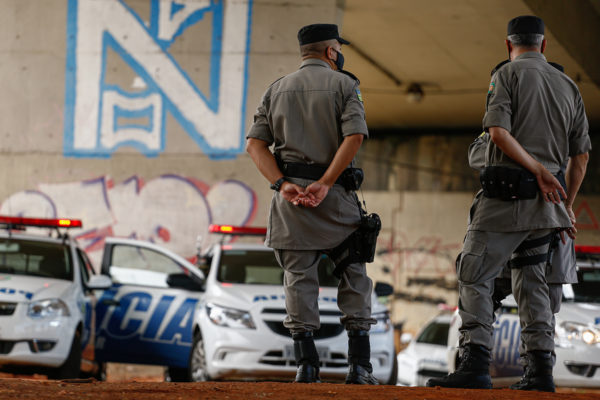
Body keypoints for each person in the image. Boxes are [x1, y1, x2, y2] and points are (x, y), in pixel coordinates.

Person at [427, 15, 590, 392]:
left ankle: (475, 363)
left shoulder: (506, 75)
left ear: (508, 44)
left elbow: (497, 133)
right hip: (547, 209)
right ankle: (539, 372)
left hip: (505, 204)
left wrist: (535, 170)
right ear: (544, 44)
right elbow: (580, 159)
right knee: (534, 285)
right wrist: (563, 204)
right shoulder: (569, 86)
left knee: (474, 274)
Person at [246, 23, 378, 385]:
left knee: (298, 280)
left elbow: (255, 145)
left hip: (291, 206)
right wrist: (325, 183)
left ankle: (306, 367)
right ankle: (359, 367)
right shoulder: (345, 85)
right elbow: (354, 136)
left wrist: (282, 184)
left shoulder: (275, 89)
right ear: (332, 52)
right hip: (336, 201)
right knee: (353, 277)